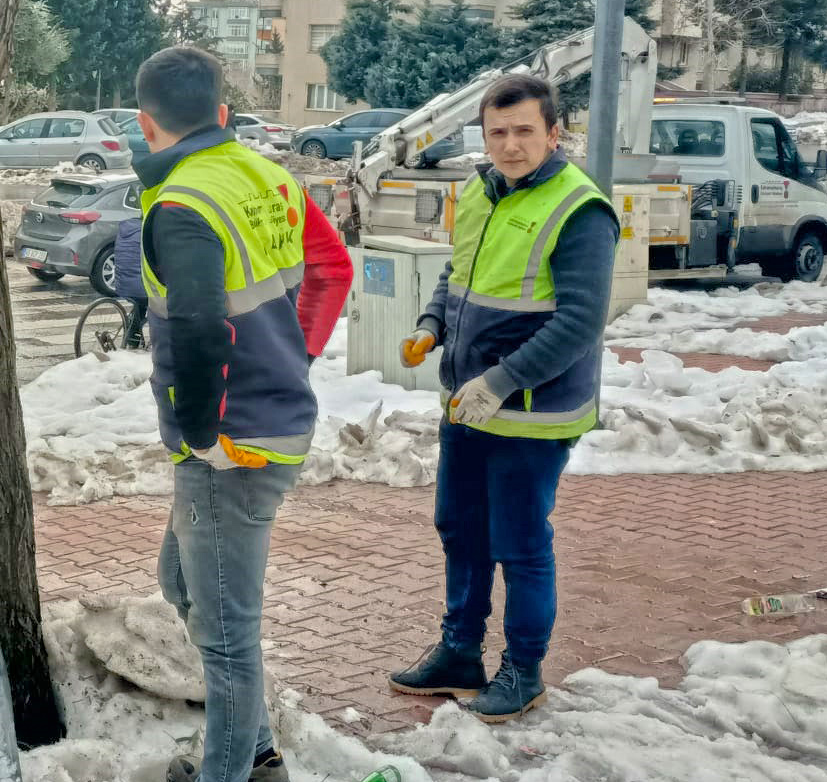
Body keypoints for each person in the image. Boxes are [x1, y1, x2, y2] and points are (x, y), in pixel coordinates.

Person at [133, 46, 353, 782]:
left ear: (145, 122)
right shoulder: (269, 175)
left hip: (230, 445)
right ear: (221, 112)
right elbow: (326, 268)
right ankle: (255, 753)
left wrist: (201, 435)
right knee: (182, 582)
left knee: (226, 640)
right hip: (260, 421)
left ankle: (236, 769)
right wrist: (294, 359)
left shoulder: (183, 202)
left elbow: (197, 327)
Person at [392, 73, 619, 723]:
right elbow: (457, 274)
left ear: (554, 133)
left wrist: (499, 381)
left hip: (534, 412)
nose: (511, 145)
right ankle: (460, 650)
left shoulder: (581, 209)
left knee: (519, 542)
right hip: (468, 405)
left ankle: (524, 668)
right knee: (460, 529)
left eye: (525, 131)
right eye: (499, 132)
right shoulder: (479, 190)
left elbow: (579, 323)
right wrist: (430, 325)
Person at [112, 211, 147, 348]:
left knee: (140, 304)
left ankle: (133, 339)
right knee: (160, 304)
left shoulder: (127, 229)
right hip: (141, 287)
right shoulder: (150, 231)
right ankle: (133, 342)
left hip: (122, 284)